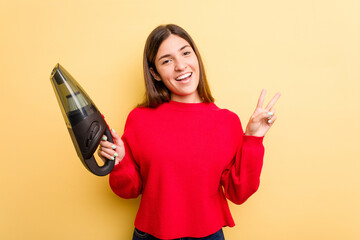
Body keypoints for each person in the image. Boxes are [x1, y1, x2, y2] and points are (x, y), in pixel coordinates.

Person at [98, 24, 281, 240]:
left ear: (196, 58)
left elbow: (238, 193)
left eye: (186, 53)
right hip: (150, 235)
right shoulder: (139, 119)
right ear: (154, 73)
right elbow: (129, 190)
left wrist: (253, 139)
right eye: (167, 60)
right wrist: (119, 162)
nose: (180, 65)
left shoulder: (227, 121)